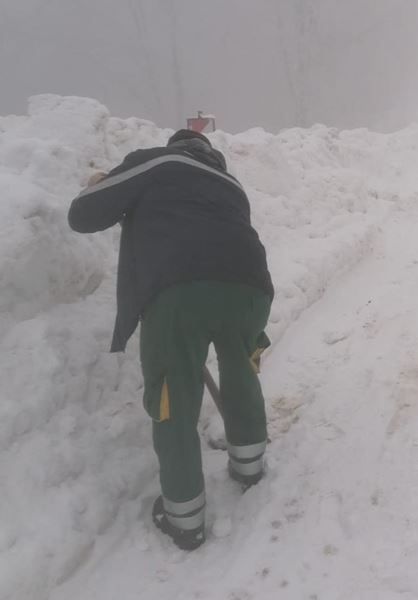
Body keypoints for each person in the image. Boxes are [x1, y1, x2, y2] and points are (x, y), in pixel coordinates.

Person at [68, 129, 274, 550]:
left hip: (180, 292)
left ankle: (185, 518)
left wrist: (101, 183)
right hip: (250, 287)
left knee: (173, 397)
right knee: (240, 372)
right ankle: (249, 466)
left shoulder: (158, 163)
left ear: (174, 147)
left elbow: (83, 215)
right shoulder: (232, 186)